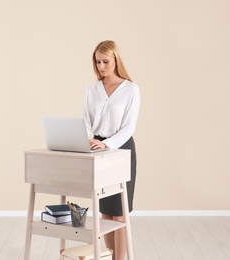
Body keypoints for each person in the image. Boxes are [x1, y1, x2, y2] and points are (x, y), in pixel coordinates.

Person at [83, 40, 140, 260]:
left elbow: (129, 128)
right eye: (98, 62)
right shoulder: (92, 89)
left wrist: (108, 143)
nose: (101, 66)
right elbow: (86, 121)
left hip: (121, 149)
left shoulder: (131, 89)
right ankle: (108, 256)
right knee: (105, 213)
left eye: (105, 61)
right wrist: (81, 141)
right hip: (97, 150)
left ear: (116, 60)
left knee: (119, 213)